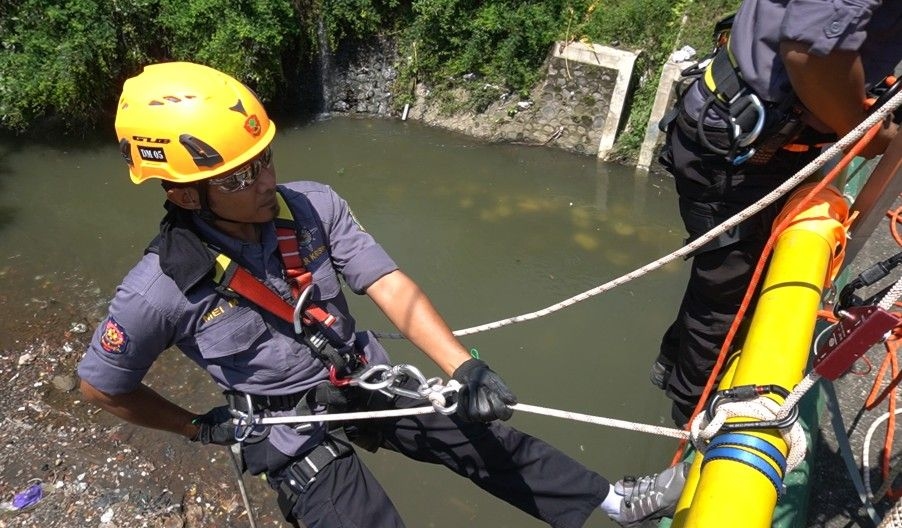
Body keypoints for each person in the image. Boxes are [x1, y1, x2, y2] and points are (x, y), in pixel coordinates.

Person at [77, 61, 687, 528]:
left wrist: (463, 367)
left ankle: (611, 501)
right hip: (286, 426)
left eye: (264, 159)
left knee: (477, 430)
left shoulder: (312, 205)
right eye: (241, 176)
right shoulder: (158, 291)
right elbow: (102, 385)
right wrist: (199, 428)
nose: (264, 181)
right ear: (184, 194)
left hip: (357, 375)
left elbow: (387, 284)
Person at [652, 0, 902, 427]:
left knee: (723, 282)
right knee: (727, 294)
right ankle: (693, 417)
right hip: (744, 147)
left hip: (762, 133)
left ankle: (675, 369)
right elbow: (814, 52)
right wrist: (865, 131)